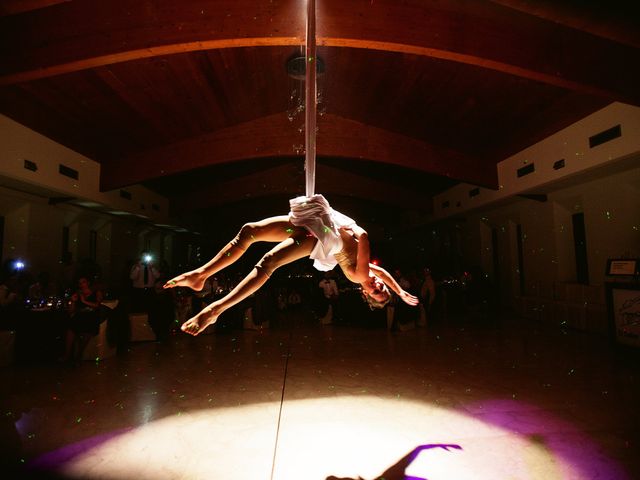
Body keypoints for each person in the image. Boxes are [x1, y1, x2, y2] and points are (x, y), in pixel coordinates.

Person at [164, 194, 419, 336]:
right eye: (380, 287)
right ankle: (201, 274)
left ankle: (216, 309)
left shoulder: (359, 274)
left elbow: (363, 236)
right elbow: (382, 272)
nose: (377, 285)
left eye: (376, 291)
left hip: (317, 237)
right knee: (249, 231)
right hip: (314, 226)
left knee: (268, 262)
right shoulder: (367, 275)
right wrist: (398, 290)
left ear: (365, 294)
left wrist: (352, 227)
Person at [60, 277, 103, 364]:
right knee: (70, 329)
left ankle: (78, 355)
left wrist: (84, 301)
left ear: (88, 283)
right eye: (80, 283)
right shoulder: (77, 294)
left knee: (87, 332)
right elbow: (71, 311)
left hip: (91, 316)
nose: (82, 285)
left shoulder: (96, 293)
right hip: (79, 316)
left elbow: (97, 305)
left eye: (83, 282)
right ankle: (67, 355)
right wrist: (73, 301)